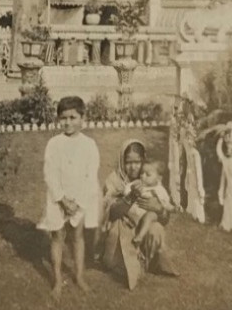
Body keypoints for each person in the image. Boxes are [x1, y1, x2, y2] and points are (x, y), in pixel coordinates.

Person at [40, 96, 102, 297]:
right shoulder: (54, 143)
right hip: (58, 199)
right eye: (63, 118)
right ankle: (57, 280)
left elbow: (91, 175)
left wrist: (79, 202)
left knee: (77, 237)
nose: (68, 122)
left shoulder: (89, 144)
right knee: (57, 237)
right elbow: (50, 173)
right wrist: (62, 199)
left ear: (83, 118)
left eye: (73, 117)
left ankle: (79, 276)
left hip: (80, 199)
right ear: (58, 119)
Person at [98, 141, 174, 289]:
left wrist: (158, 208)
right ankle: (122, 262)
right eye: (128, 162)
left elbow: (165, 218)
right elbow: (110, 213)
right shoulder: (114, 180)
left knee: (157, 228)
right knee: (114, 255)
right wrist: (130, 198)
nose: (133, 167)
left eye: (137, 162)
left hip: (142, 227)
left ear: (143, 161)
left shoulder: (150, 179)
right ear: (122, 161)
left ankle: (146, 261)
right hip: (120, 225)